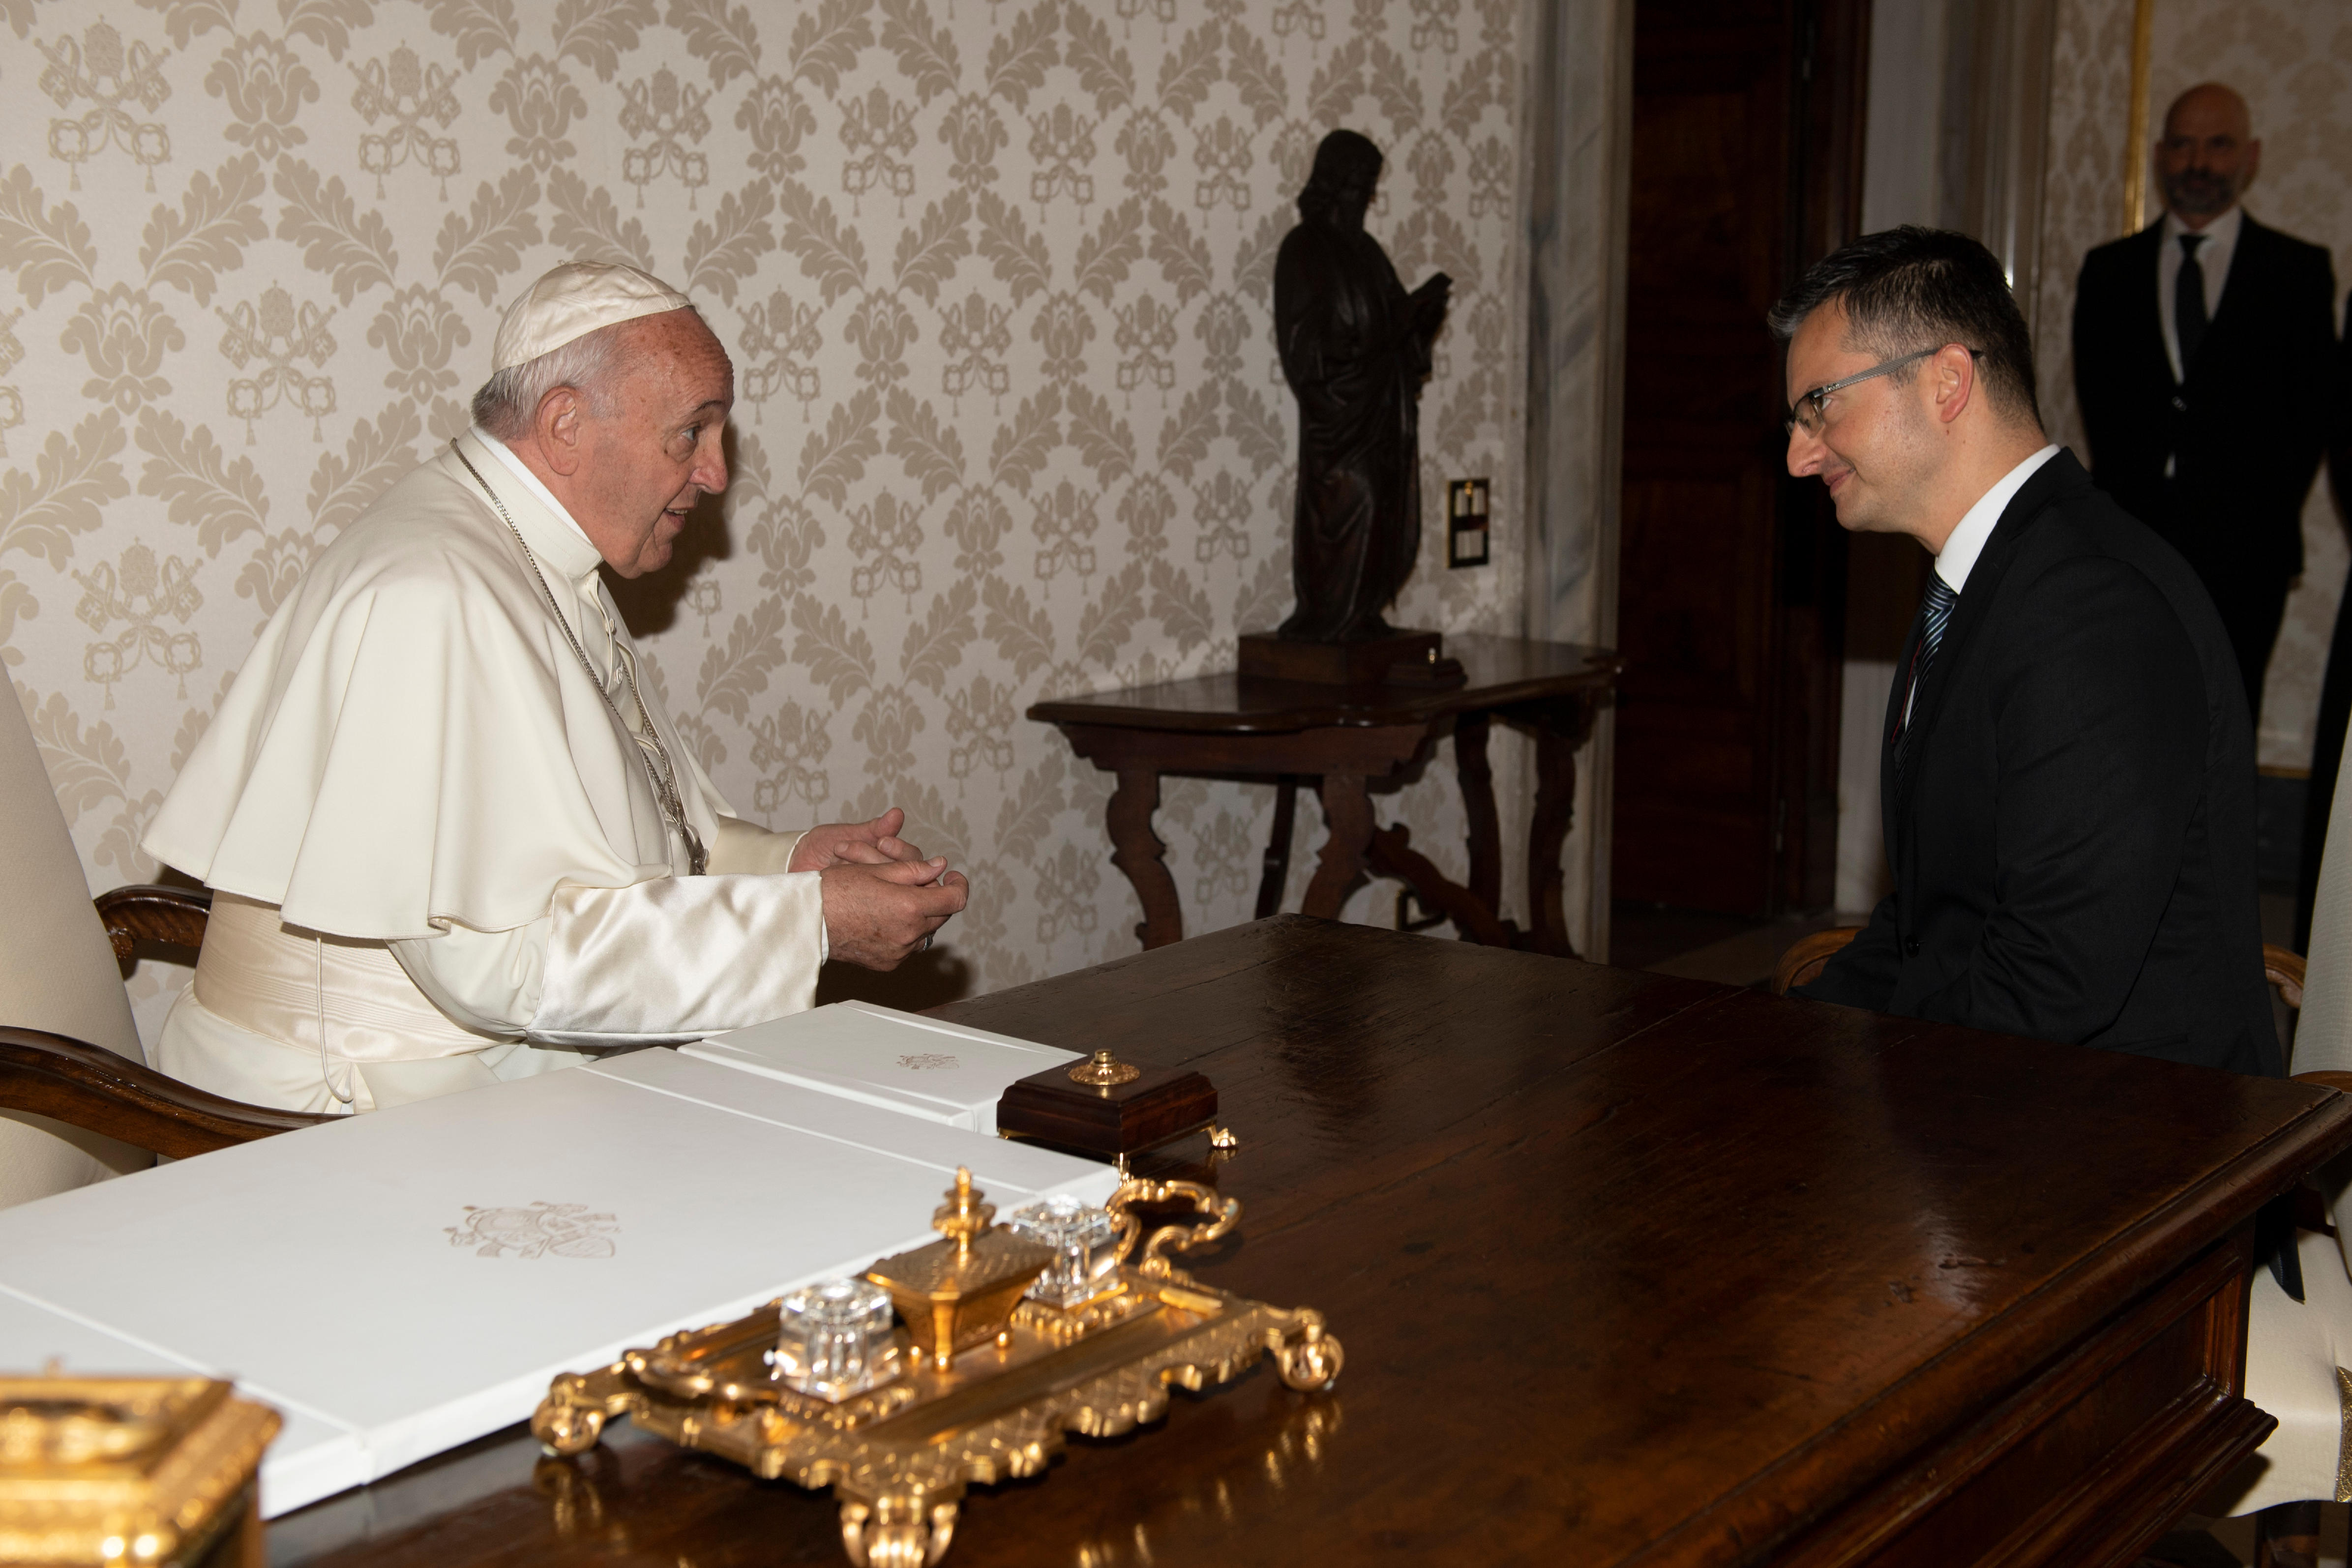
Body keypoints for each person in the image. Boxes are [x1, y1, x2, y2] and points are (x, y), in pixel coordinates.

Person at [142, 262, 969, 1114]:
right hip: (345, 1112)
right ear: (566, 424)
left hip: (482, 1082)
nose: (716, 473)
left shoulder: (529, 558)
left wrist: (787, 867)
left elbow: (609, 847)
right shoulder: (436, 594)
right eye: (691, 432)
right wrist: (810, 922)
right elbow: (502, 966)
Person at [1784, 227, 2275, 1077]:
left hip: (2136, 1123)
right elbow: (1932, 921)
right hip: (2008, 1083)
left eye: (1818, 404)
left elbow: (2050, 981)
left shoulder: (2089, 605)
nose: (1799, 455)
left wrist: (1859, 1087)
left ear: (1945, 381)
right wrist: (1763, 1047)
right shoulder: (1993, 575)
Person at [2071, 82, 2337, 724]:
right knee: (2128, 719)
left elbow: (2309, 417)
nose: (2197, 163)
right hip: (2130, 548)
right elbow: (2098, 404)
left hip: (2248, 556)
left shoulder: (2296, 272)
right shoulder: (2108, 271)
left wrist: (2255, 518)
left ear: (2250, 156)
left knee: (2227, 721)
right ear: (2159, 155)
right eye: (2182, 145)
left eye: (2217, 145)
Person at [1272, 129, 1450, 643]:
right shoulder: (1304, 250)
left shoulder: (1368, 252)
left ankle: (1363, 615)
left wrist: (1419, 318)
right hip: (1341, 418)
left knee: (1385, 509)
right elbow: (1306, 347)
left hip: (1381, 411)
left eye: (1369, 188)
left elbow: (1394, 323)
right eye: (1356, 186)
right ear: (1330, 185)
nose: (1363, 200)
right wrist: (1384, 330)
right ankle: (1332, 617)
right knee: (1360, 500)